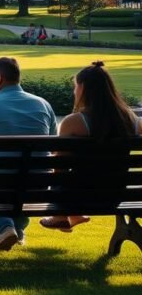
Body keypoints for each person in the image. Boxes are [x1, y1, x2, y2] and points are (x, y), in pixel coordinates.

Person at [38, 61, 142, 233]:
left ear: (83, 88)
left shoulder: (74, 122)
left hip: (80, 197)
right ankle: (70, 216)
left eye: (75, 86)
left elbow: (60, 167)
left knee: (58, 174)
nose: (74, 91)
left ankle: (61, 216)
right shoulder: (132, 120)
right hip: (116, 194)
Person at [0, 56, 58, 251]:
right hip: (38, 183)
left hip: (0, 182)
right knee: (25, 175)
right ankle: (18, 230)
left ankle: (5, 227)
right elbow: (54, 145)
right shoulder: (43, 105)